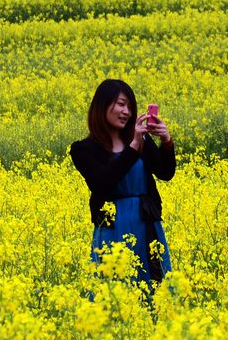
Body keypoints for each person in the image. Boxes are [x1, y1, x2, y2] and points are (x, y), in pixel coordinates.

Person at [70, 79, 174, 285]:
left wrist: (166, 142)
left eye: (129, 106)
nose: (126, 111)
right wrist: (133, 148)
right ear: (102, 105)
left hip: (146, 223)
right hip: (112, 227)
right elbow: (103, 183)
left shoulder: (140, 140)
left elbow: (165, 172)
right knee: (115, 290)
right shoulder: (84, 149)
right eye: (120, 104)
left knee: (154, 286)